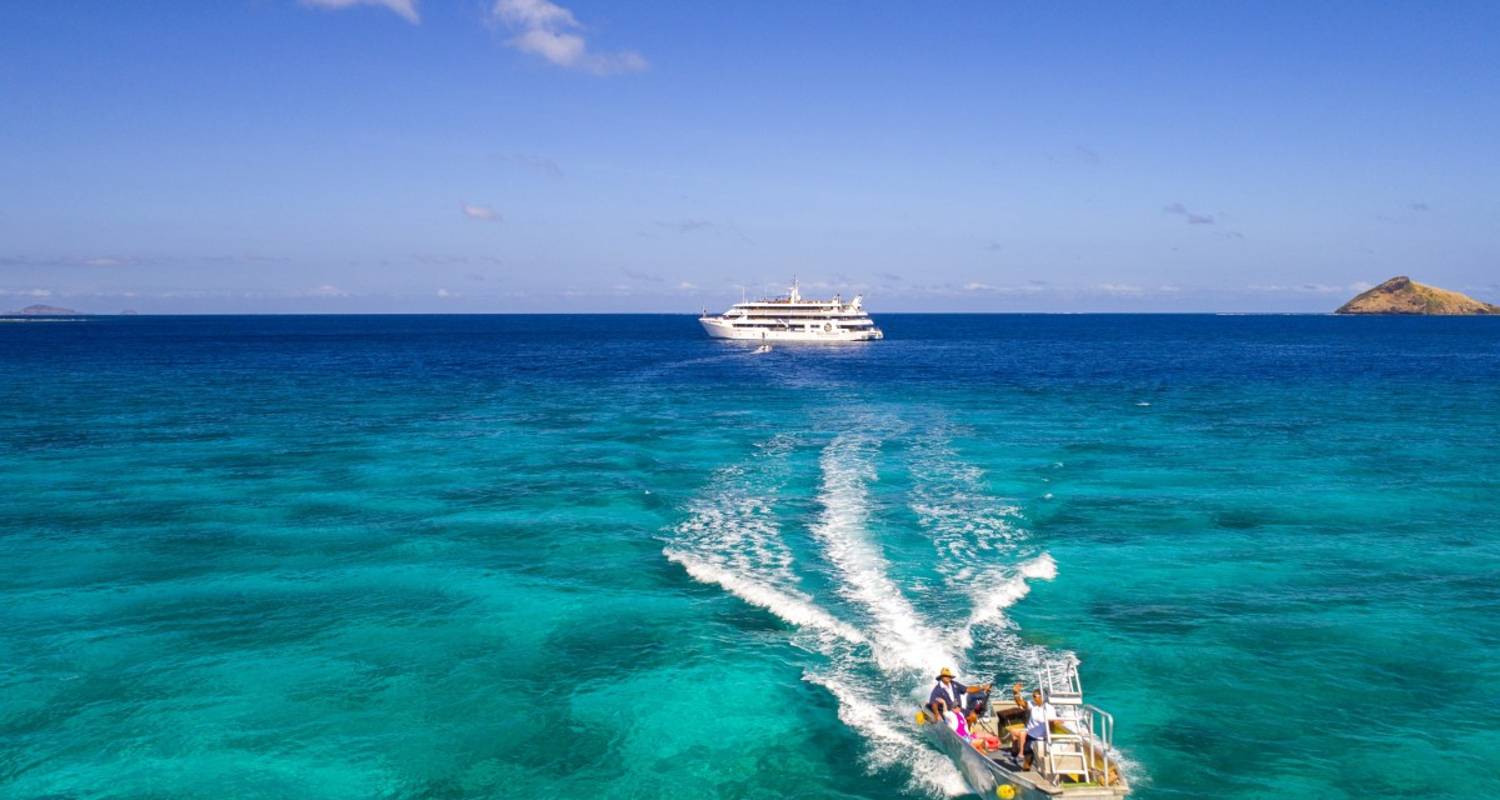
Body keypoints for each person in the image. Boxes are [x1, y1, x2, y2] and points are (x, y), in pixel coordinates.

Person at [1012, 683, 1054, 771]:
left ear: (1042, 697)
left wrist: (1049, 737)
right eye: (1033, 696)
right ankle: (1024, 768)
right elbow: (1021, 703)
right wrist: (1015, 693)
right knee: (1027, 757)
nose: (1033, 698)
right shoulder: (1033, 705)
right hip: (1030, 736)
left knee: (1031, 758)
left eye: (1035, 696)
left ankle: (1024, 763)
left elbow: (1052, 723)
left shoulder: (1049, 709)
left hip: (1040, 739)